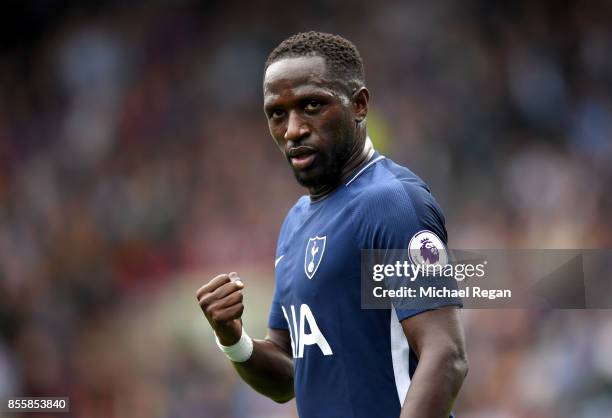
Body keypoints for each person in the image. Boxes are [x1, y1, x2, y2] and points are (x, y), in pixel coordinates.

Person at [196, 31, 468, 418]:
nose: (293, 129)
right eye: (277, 113)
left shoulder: (392, 203)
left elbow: (447, 355)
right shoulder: (295, 223)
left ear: (358, 105)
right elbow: (289, 376)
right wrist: (233, 339)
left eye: (311, 105)